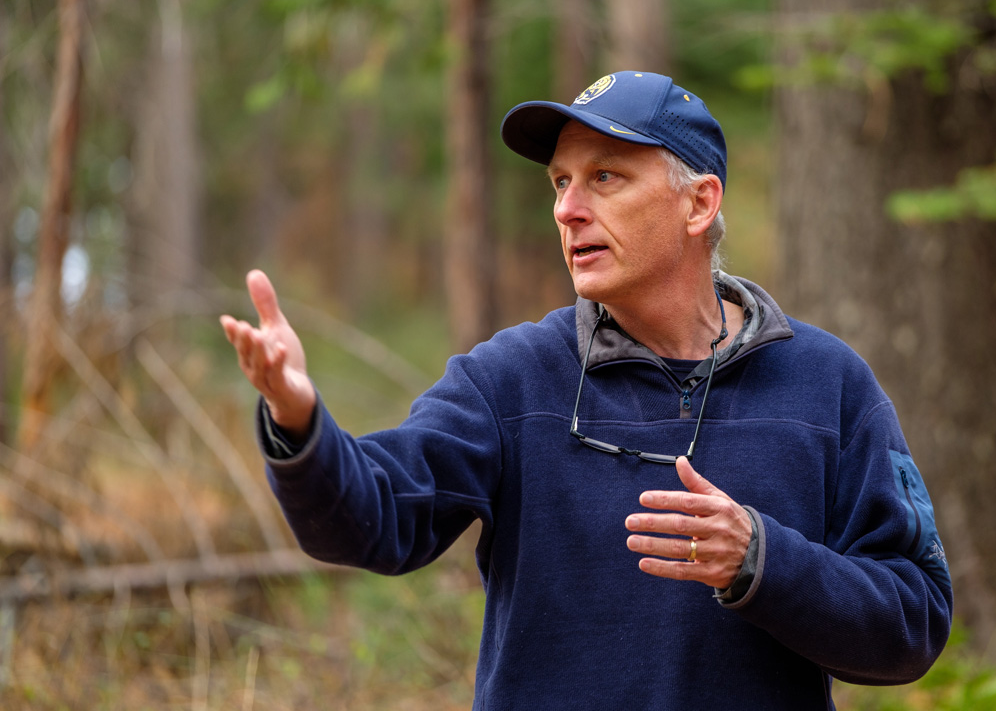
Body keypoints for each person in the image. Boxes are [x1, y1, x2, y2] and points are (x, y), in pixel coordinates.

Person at [221, 71, 952, 709]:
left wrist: (763, 560)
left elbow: (913, 623)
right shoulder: (510, 379)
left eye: (605, 177)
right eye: (561, 182)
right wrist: (298, 419)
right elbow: (372, 520)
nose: (568, 210)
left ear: (699, 205)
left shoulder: (827, 385)